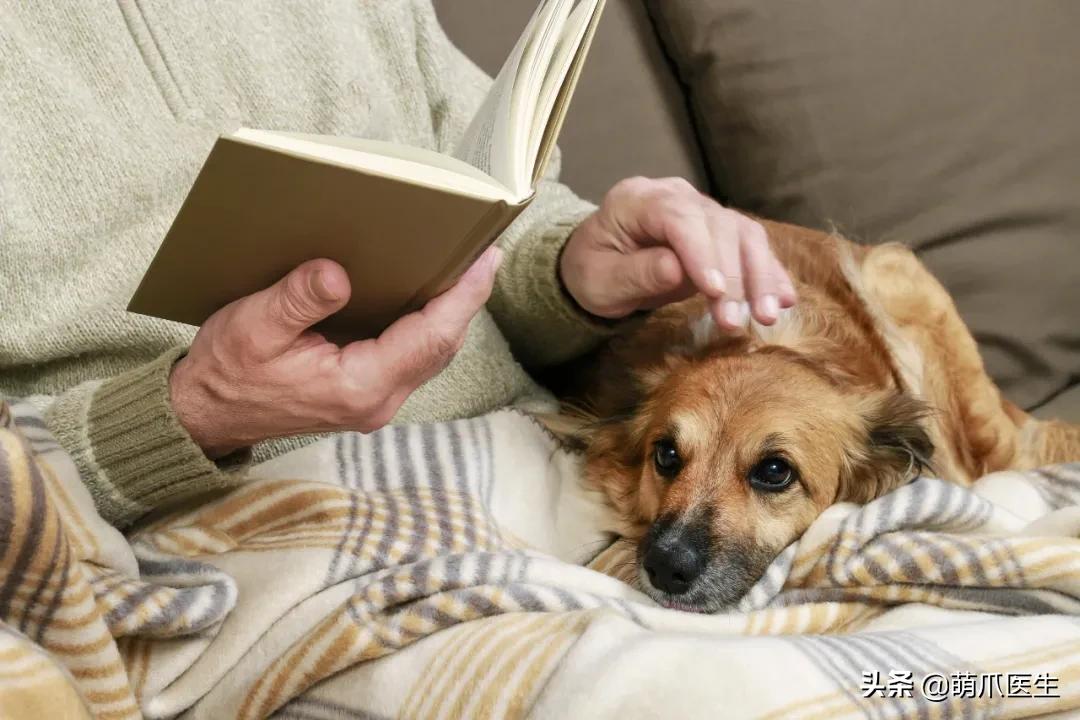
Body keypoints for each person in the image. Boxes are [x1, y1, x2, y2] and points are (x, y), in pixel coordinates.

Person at [0, 1, 794, 530]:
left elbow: (485, 205)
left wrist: (571, 273)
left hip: (557, 471)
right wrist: (196, 411)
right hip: (247, 539)